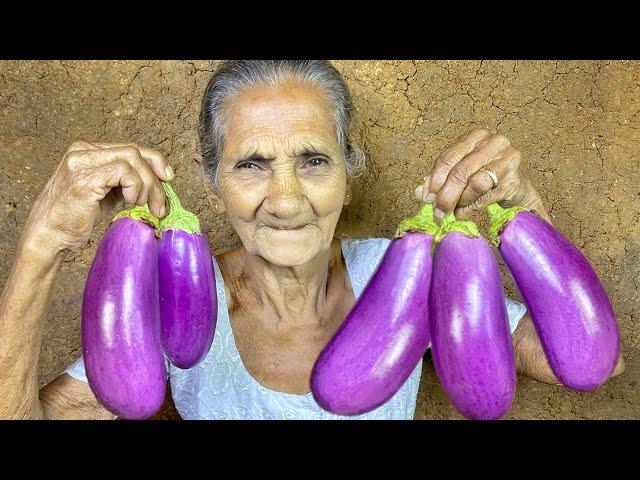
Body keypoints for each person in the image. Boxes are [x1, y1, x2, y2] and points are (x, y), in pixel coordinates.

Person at [0, 60, 625, 420]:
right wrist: (42, 244)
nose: (288, 198)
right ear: (213, 182)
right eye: (250, 164)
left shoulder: (409, 274)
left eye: (314, 161)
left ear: (350, 175)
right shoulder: (176, 301)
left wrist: (525, 213)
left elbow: (587, 363)